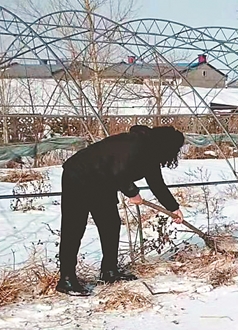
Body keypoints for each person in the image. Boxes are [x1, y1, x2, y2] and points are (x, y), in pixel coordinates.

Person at [56, 125, 185, 296]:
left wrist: (173, 208)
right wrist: (132, 192)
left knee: (110, 224)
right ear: (166, 145)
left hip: (103, 182)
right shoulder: (134, 144)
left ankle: (109, 271)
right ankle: (66, 279)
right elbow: (118, 170)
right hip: (79, 175)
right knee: (74, 227)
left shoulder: (150, 152)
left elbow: (156, 183)